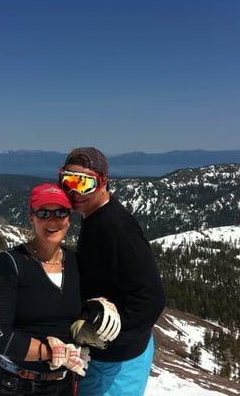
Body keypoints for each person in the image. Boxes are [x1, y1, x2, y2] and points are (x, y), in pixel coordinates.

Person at [59, 147, 166, 396]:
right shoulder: (94, 217)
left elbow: (152, 298)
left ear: (103, 182)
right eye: (68, 181)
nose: (75, 191)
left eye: (84, 183)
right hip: (106, 359)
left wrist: (105, 337)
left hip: (118, 364)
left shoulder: (116, 228)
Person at [0, 183, 89, 395]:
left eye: (60, 212)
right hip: (18, 384)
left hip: (64, 383)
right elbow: (0, 338)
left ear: (69, 219)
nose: (53, 220)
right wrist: (50, 352)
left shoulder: (75, 262)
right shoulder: (9, 263)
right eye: (43, 213)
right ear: (31, 217)